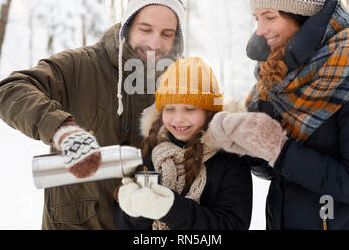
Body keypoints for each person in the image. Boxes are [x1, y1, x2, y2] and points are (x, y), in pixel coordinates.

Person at [208, 0, 349, 230]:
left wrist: (278, 148)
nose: (259, 30)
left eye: (269, 17)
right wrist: (245, 141)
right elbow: (276, 170)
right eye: (256, 18)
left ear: (300, 14)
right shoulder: (278, 76)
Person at [0, 0, 186, 229]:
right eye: (145, 29)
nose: (155, 44)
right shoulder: (79, 66)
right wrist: (62, 129)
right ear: (127, 26)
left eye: (166, 34)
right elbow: (8, 90)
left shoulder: (179, 84)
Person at [114, 57, 278, 229]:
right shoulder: (151, 150)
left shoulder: (230, 158)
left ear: (208, 111)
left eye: (190, 109)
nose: (178, 119)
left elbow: (232, 224)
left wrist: (171, 209)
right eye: (170, 109)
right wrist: (135, 211)